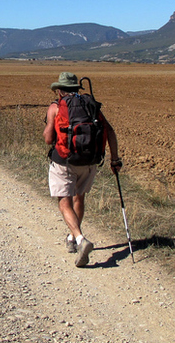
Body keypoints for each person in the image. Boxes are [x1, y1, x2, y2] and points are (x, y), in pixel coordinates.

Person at [43, 72, 122, 268]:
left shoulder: (55, 107)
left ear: (60, 90)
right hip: (89, 161)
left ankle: (79, 239)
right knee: (79, 197)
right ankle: (71, 238)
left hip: (64, 161)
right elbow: (109, 132)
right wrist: (114, 160)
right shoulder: (90, 105)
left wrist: (49, 126)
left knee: (64, 202)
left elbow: (48, 139)